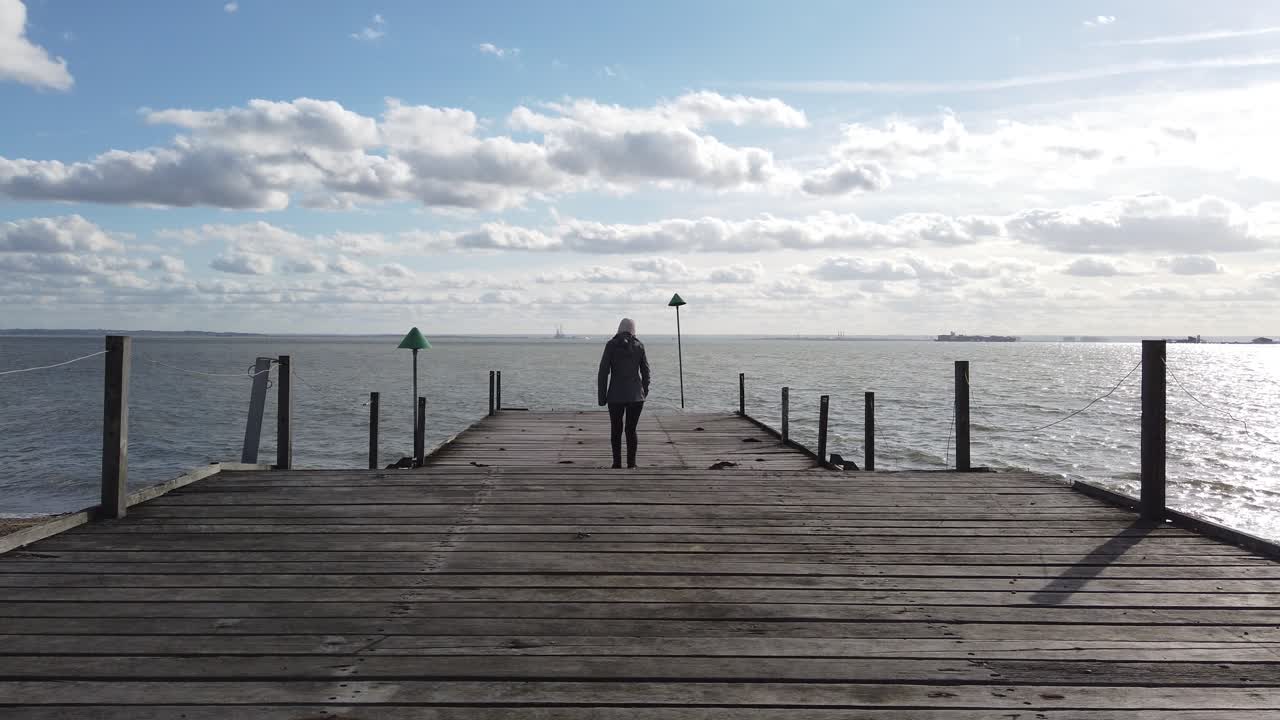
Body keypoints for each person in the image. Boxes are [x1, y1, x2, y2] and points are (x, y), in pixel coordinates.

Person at [597, 317, 650, 469]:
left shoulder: (611, 345)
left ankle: (616, 463)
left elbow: (603, 372)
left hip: (615, 396)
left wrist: (602, 398)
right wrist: (643, 392)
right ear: (633, 330)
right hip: (636, 396)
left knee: (616, 429)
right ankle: (632, 464)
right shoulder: (639, 346)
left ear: (619, 328)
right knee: (631, 429)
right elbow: (646, 372)